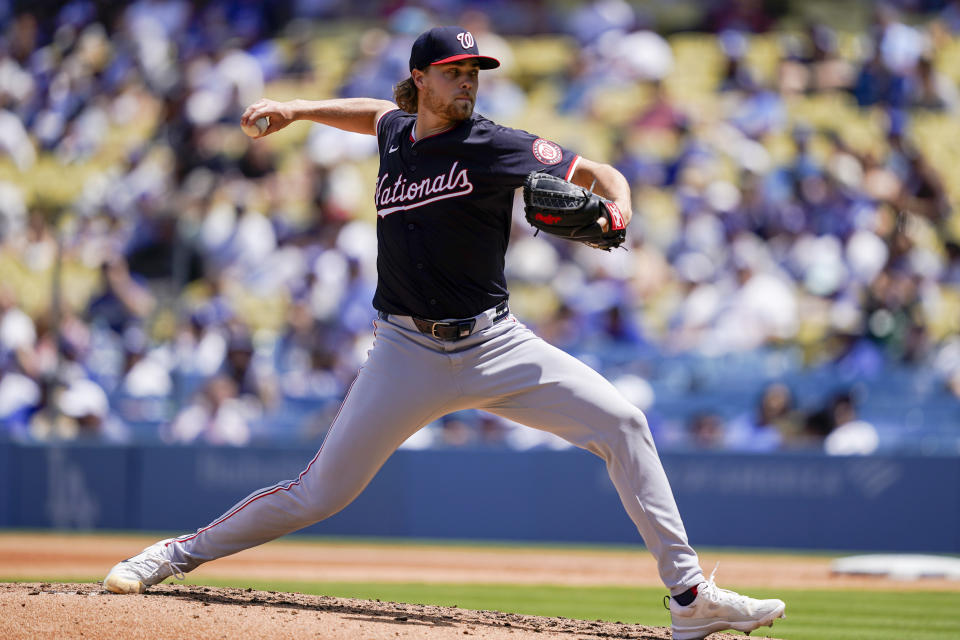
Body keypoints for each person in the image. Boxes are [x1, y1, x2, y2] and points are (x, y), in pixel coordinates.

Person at [103, 26, 785, 640]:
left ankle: (690, 596)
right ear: (421, 78)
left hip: (496, 344)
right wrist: (298, 108)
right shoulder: (398, 131)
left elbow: (598, 172)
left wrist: (620, 205)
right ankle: (173, 554)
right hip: (406, 350)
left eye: (474, 72)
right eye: (455, 70)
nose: (467, 81)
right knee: (319, 493)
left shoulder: (494, 144)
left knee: (625, 423)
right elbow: (372, 115)